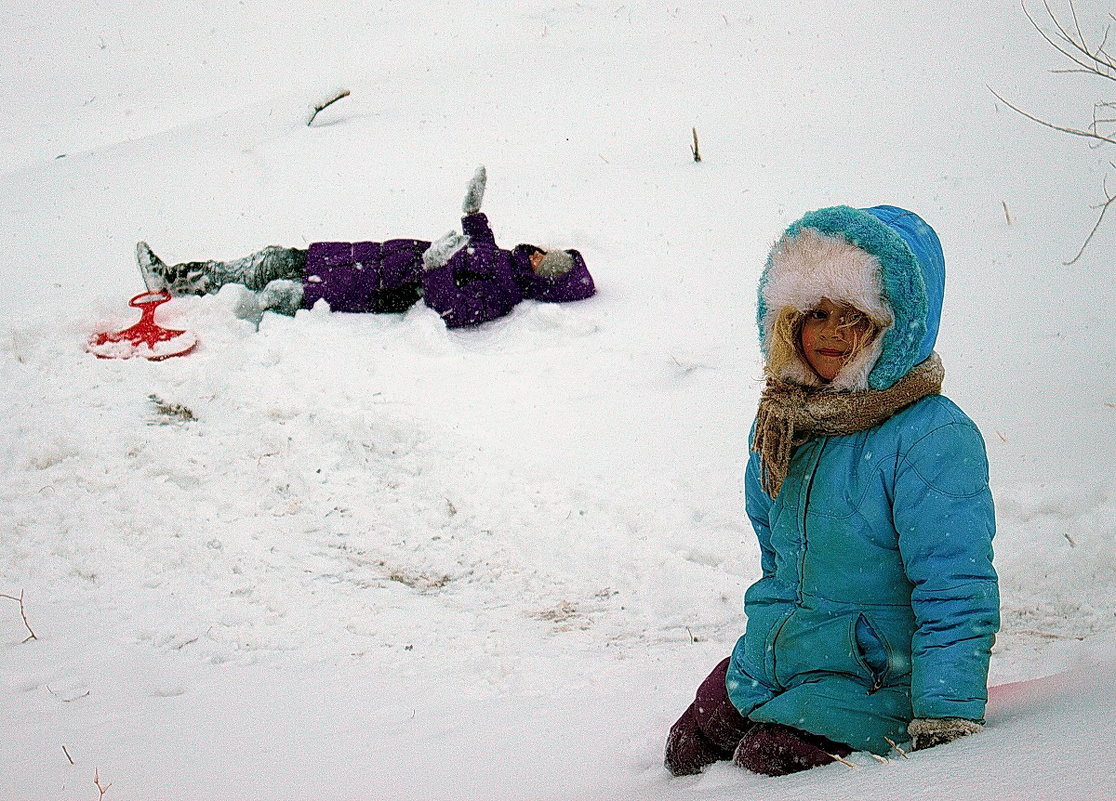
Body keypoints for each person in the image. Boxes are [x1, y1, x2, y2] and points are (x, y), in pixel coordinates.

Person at [664, 205, 999, 777]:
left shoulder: (930, 437)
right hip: (786, 651)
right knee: (690, 745)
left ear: (892, 325)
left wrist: (946, 714)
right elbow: (778, 555)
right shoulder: (785, 422)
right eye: (816, 313)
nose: (831, 334)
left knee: (766, 764)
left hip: (877, 674)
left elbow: (956, 586)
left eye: (854, 317)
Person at [135, 167, 595, 328]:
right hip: (369, 259)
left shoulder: (503, 295)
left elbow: (453, 310)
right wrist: (474, 212)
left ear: (543, 280)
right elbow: (480, 246)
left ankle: (206, 315)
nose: (537, 254)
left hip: (378, 289)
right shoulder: (505, 261)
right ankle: (177, 279)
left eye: (545, 263)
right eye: (545, 252)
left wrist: (434, 268)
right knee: (272, 260)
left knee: (278, 292)